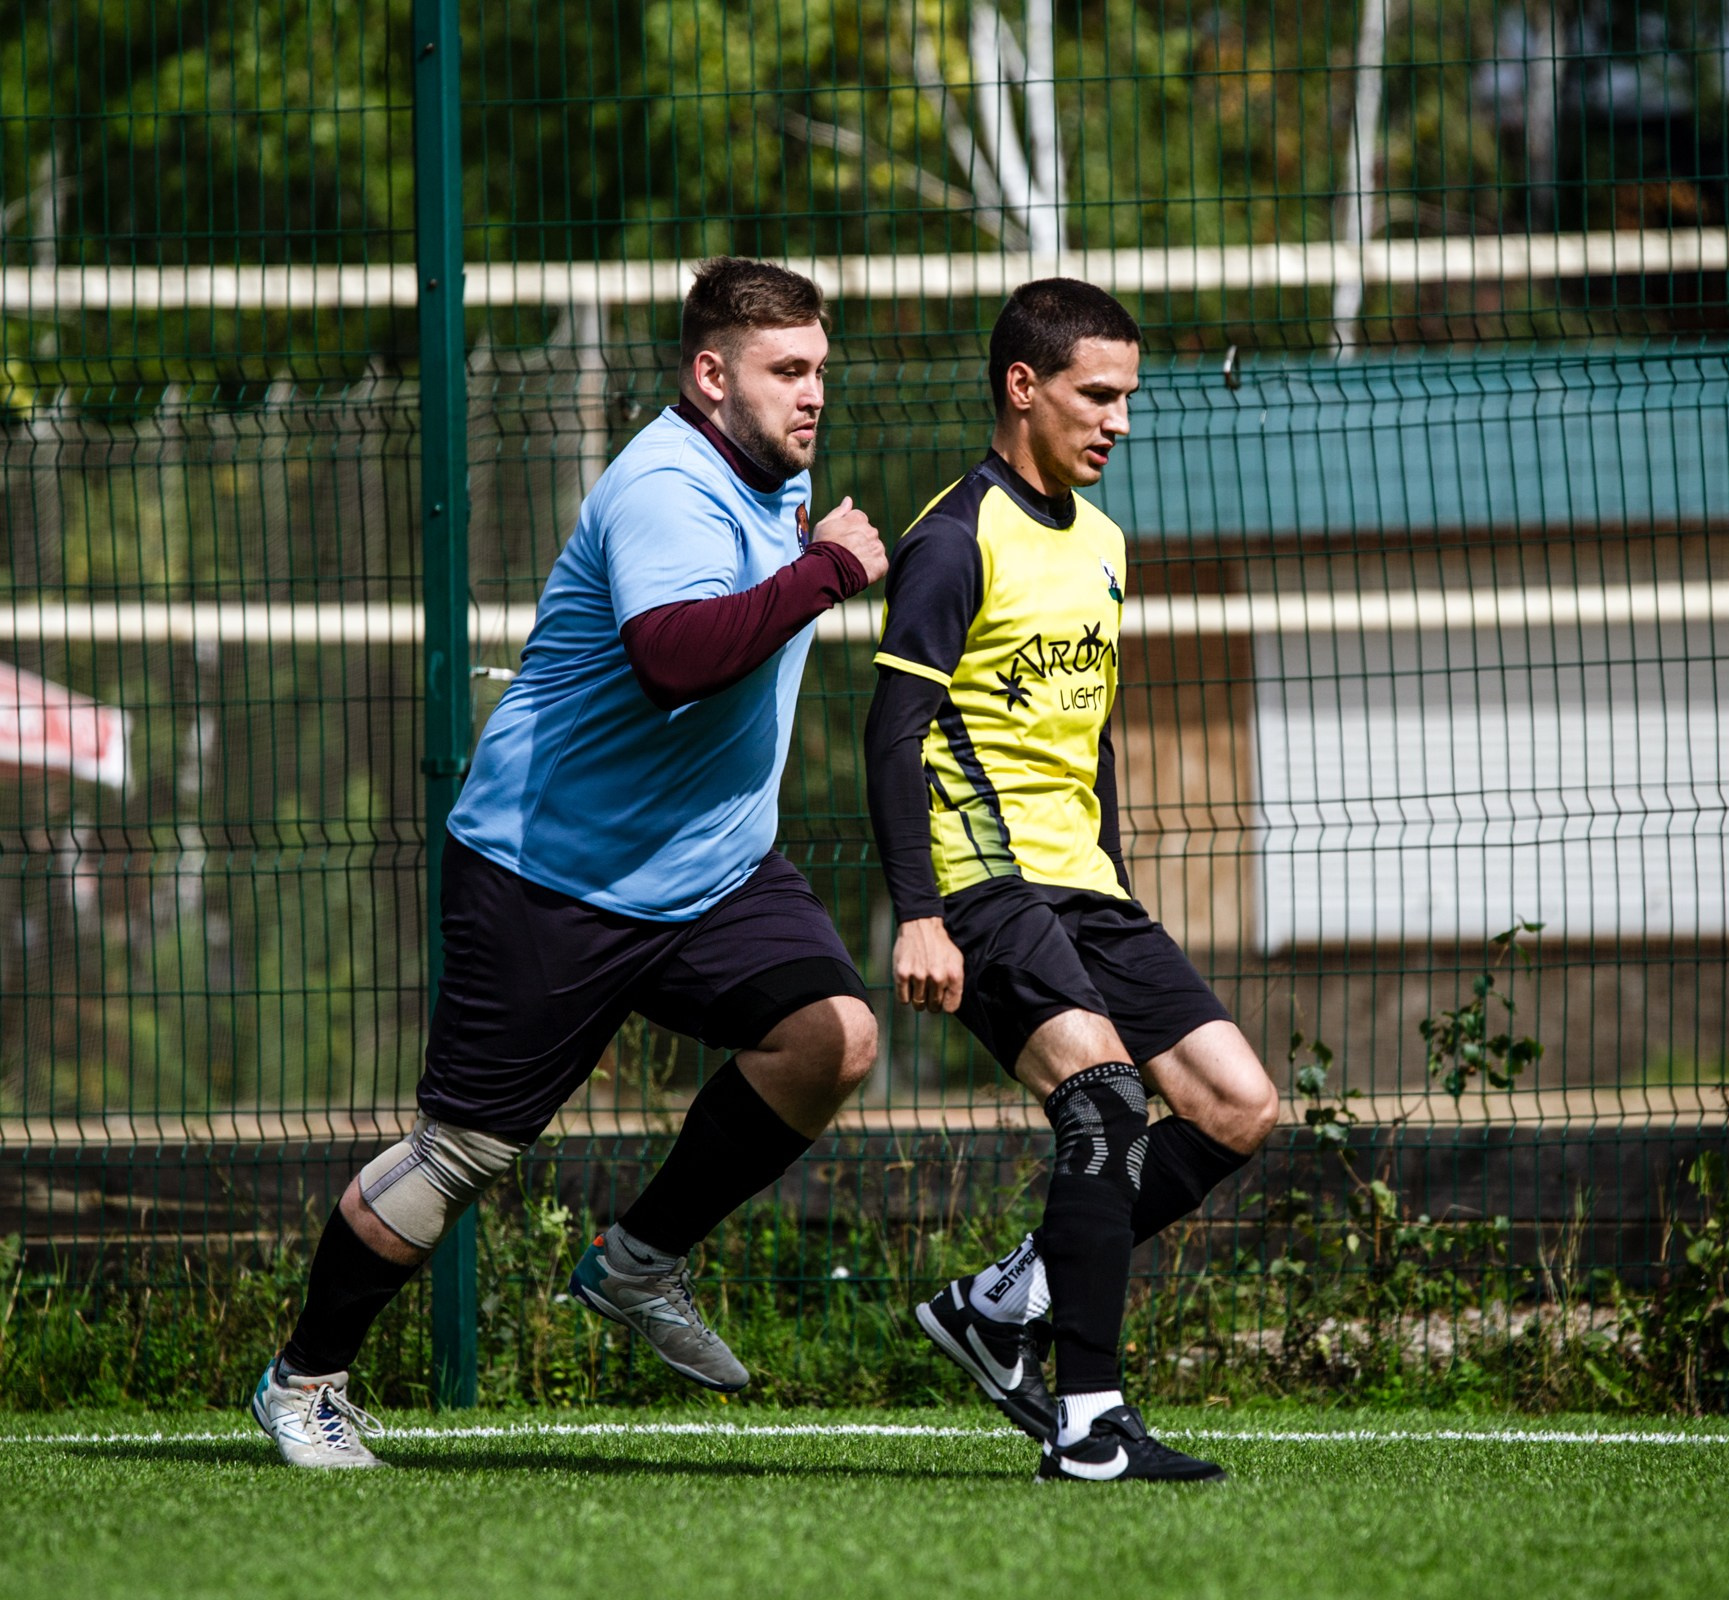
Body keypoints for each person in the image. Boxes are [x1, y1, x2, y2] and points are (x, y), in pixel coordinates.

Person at [250, 258, 887, 1468]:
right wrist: (825, 576)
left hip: (712, 872)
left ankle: (639, 1263)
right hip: (550, 875)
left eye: (820, 372)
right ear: (711, 376)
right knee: (464, 1155)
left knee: (832, 1037)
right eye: (787, 371)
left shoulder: (772, 481)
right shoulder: (666, 484)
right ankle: (304, 1381)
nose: (814, 396)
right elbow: (672, 658)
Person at [863, 278, 1280, 1484]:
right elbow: (894, 736)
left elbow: (1088, 733)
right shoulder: (952, 537)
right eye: (1098, 396)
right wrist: (921, 915)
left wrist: (1118, 881)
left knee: (1238, 1105)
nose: (1120, 422)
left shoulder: (1102, 543)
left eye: (1128, 399)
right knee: (1102, 1104)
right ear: (1023, 387)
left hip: (1083, 884)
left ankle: (1007, 1300)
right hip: (982, 875)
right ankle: (1091, 1426)